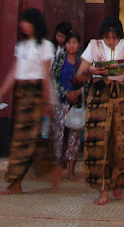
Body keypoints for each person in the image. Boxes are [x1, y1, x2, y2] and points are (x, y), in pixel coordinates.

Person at [76, 16, 124, 205]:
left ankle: (117, 182)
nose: (111, 42)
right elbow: (80, 75)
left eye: (115, 38)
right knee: (98, 142)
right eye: (108, 38)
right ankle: (103, 188)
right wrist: (91, 71)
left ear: (120, 36)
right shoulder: (94, 46)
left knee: (123, 143)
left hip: (123, 96)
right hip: (100, 95)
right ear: (102, 36)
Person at [0, 7, 60, 195]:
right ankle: (51, 168)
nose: (23, 25)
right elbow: (13, 72)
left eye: (27, 21)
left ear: (35, 24)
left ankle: (15, 182)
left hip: (37, 94)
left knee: (23, 139)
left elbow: (47, 75)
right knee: (35, 139)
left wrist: (48, 101)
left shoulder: (45, 46)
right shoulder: (21, 46)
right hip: (22, 94)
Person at [51, 31, 83, 179]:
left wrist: (78, 93)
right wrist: (65, 93)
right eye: (69, 43)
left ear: (79, 45)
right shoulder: (59, 59)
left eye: (74, 43)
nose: (71, 46)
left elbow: (89, 80)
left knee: (74, 137)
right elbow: (54, 78)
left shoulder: (83, 61)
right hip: (61, 101)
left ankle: (71, 170)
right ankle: (58, 166)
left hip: (77, 104)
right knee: (58, 134)